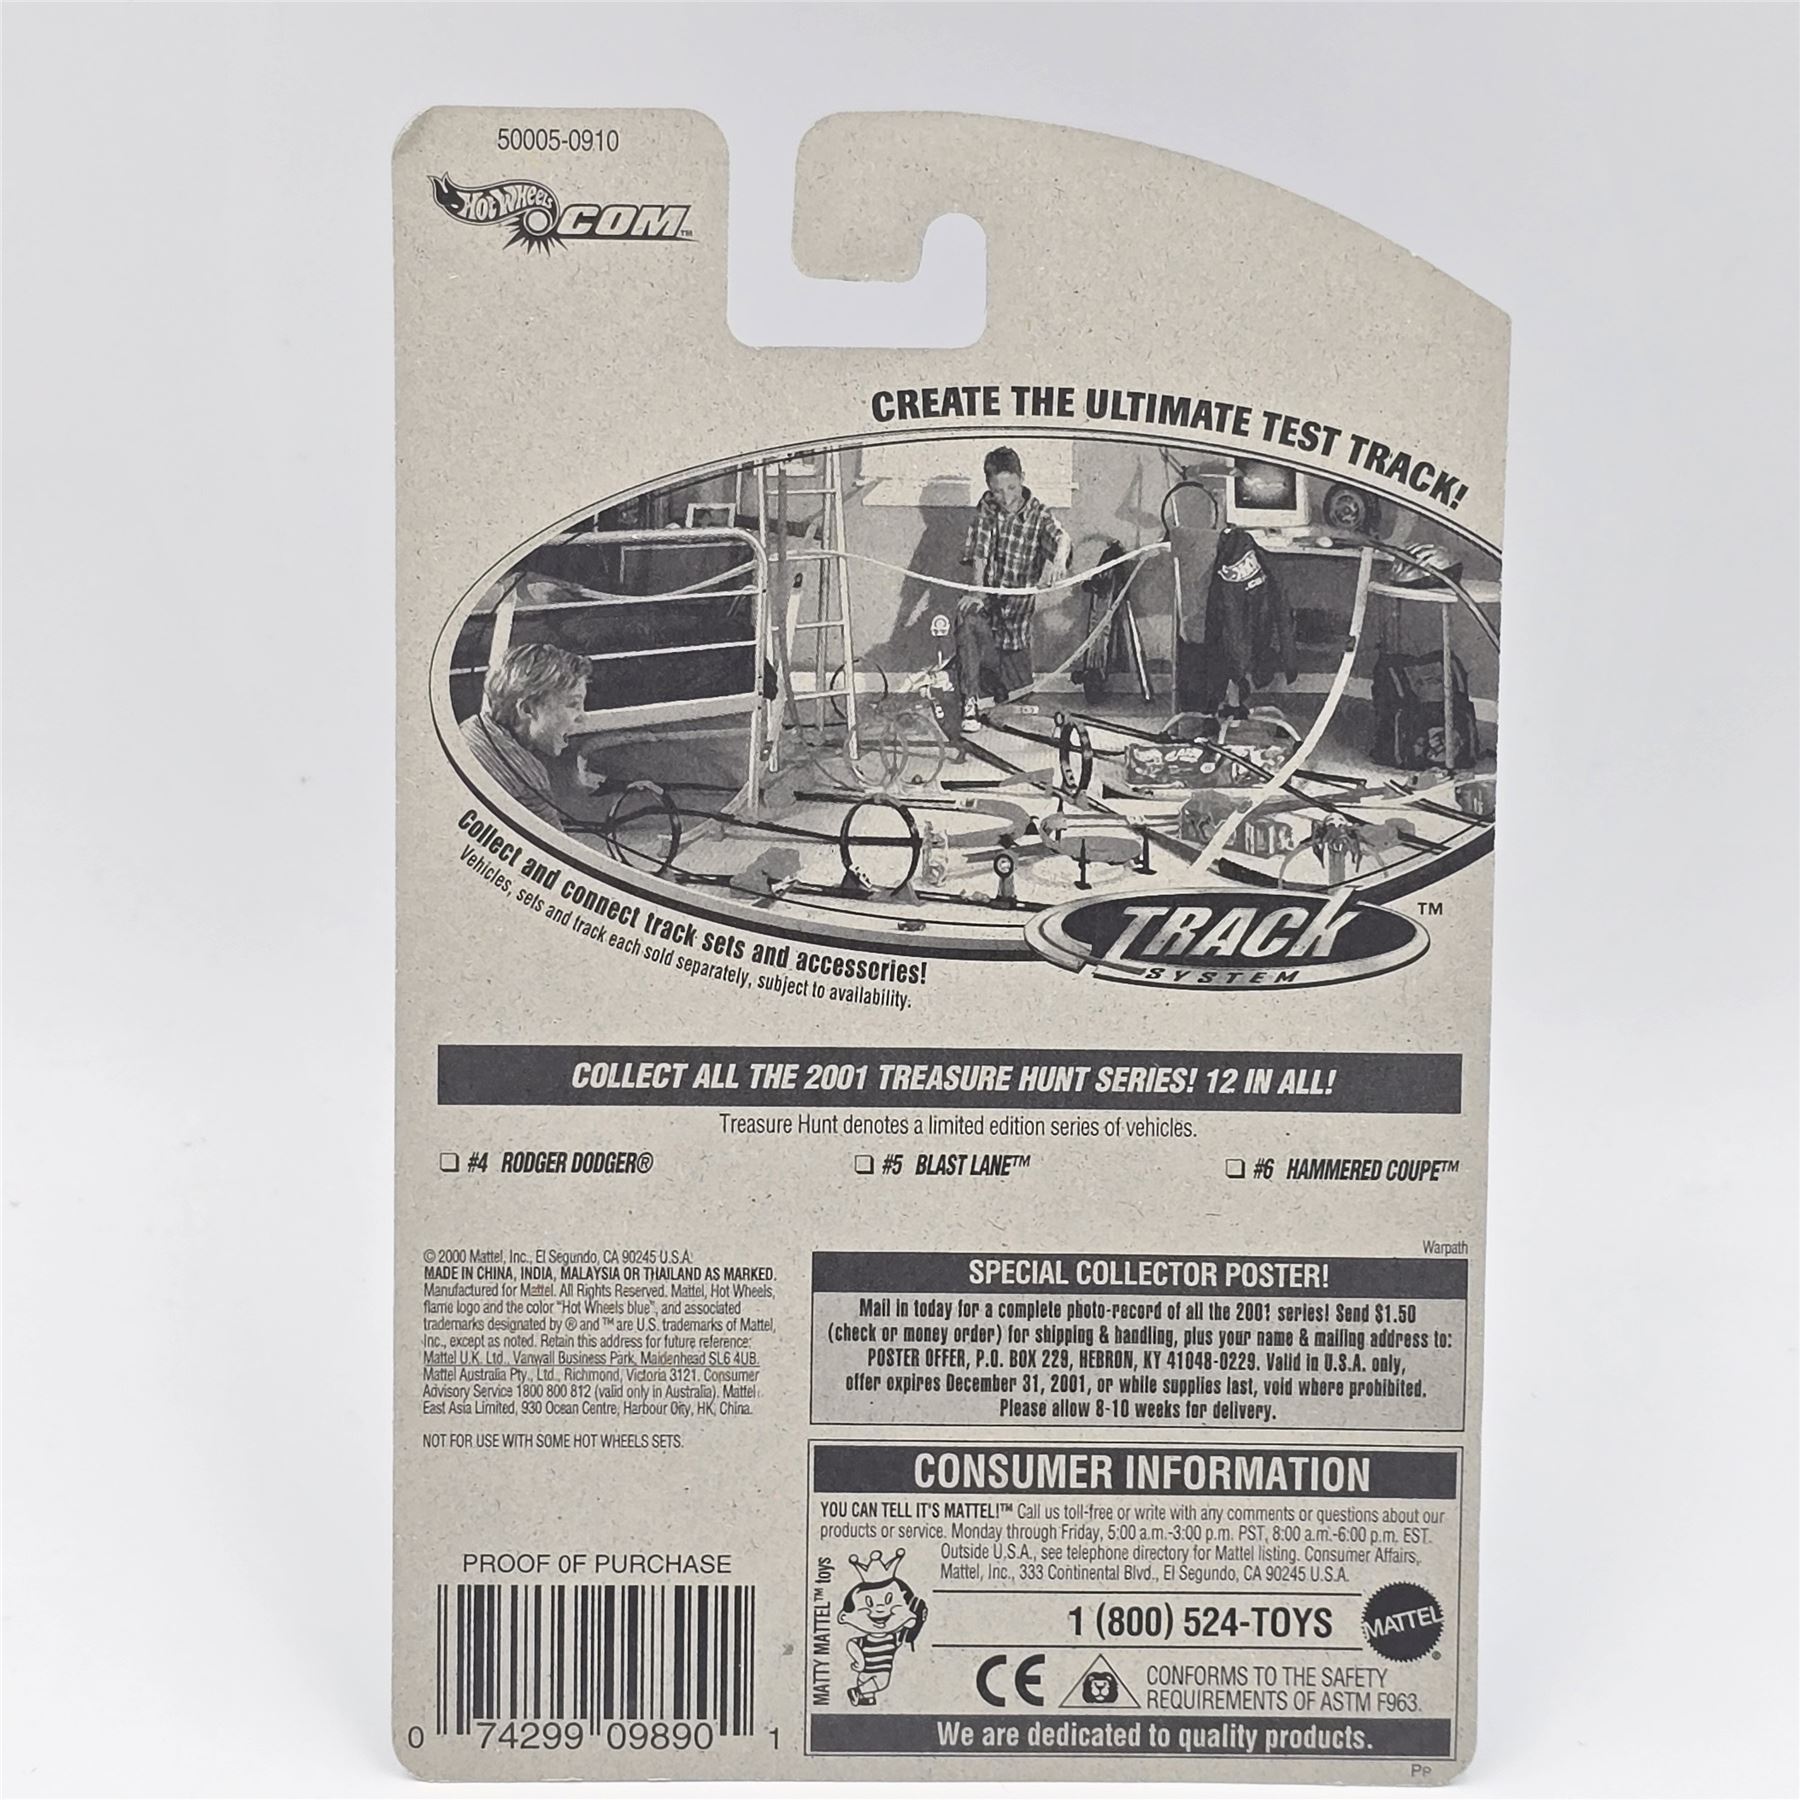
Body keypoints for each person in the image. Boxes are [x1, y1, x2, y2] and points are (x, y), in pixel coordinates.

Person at [952, 446, 1072, 727]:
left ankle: (996, 687)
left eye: (1012, 488)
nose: (1005, 497)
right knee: (967, 617)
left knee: (1020, 701)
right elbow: (980, 553)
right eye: (997, 491)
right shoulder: (987, 507)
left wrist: (1058, 559)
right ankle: (970, 700)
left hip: (1015, 624)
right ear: (989, 488)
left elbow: (1062, 537)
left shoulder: (1038, 513)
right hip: (988, 610)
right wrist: (977, 592)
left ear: (1022, 478)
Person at [459, 641, 590, 825]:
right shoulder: (529, 782)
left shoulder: (469, 729)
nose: (583, 717)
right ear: (527, 709)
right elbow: (549, 842)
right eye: (573, 704)